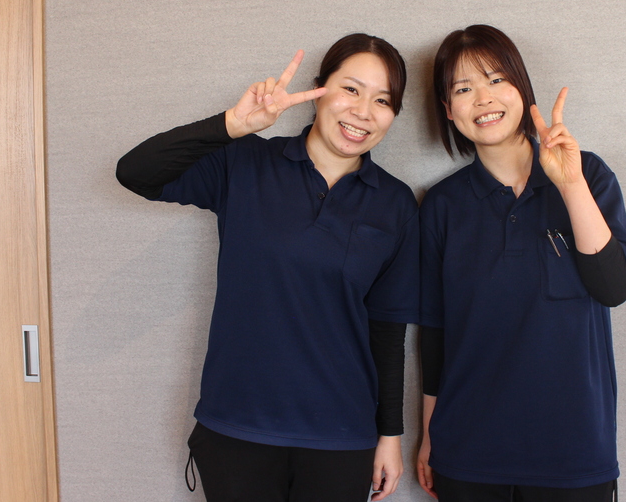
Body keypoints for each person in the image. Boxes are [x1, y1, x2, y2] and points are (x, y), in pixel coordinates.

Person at [115, 33, 418, 502]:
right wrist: (231, 125)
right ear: (319, 89)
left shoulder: (395, 203)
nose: (363, 111)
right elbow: (135, 173)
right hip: (237, 428)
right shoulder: (246, 163)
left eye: (383, 100)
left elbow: (388, 330)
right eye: (351, 89)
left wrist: (390, 436)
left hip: (341, 437)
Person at [417, 24, 626, 502]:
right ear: (448, 109)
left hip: (575, 453)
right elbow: (435, 332)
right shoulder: (441, 205)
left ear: (522, 88)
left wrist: (570, 184)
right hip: (468, 452)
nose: (483, 98)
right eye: (463, 88)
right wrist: (430, 434)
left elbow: (614, 288)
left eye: (496, 79)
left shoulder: (589, 175)